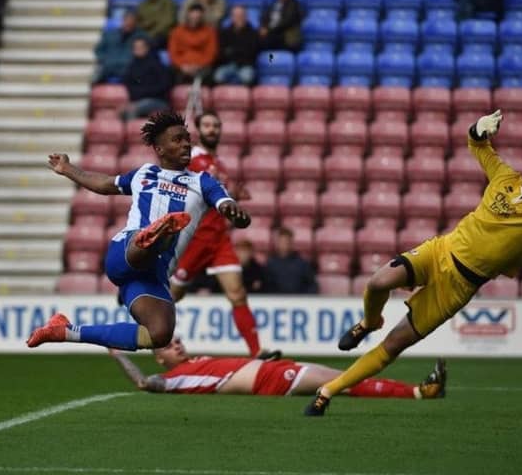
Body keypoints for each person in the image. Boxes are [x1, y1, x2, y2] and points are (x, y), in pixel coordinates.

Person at [305, 110, 522, 416]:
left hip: (459, 287)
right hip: (440, 251)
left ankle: (326, 392)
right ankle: (368, 322)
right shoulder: (505, 177)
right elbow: (477, 144)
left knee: (394, 345)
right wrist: (479, 128)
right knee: (378, 282)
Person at [26, 111, 251, 352]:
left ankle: (64, 330)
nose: (186, 143)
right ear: (160, 149)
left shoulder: (203, 181)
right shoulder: (144, 173)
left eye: (187, 139)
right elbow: (104, 184)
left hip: (151, 275)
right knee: (145, 242)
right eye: (177, 139)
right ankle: (152, 236)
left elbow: (223, 202)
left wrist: (233, 211)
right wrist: (68, 168)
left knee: (159, 333)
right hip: (125, 252)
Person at [170, 111, 278, 360]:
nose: (212, 129)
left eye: (216, 125)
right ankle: (140, 333)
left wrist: (233, 195)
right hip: (194, 239)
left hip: (219, 239)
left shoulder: (219, 163)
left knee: (237, 293)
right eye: (207, 125)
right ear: (198, 130)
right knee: (172, 296)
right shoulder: (191, 158)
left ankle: (257, 351)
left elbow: (215, 195)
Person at [109, 336, 447, 400]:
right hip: (272, 382)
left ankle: (417, 391)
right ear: (159, 359)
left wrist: (261, 361)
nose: (177, 344)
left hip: (273, 371)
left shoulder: (194, 363)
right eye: (169, 346)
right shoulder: (173, 379)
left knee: (347, 380)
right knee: (346, 381)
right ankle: (419, 392)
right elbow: (143, 382)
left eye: (176, 340)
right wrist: (116, 353)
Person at [122, 37, 172, 120]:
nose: (138, 50)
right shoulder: (131, 66)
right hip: (138, 101)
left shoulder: (157, 64)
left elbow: (164, 85)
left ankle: (135, 132)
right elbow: (129, 86)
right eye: (135, 48)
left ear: (147, 48)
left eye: (140, 47)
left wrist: (142, 93)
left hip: (158, 100)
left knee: (132, 110)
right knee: (121, 110)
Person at [167, 3, 218, 84]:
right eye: (193, 16)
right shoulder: (177, 32)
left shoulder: (209, 32)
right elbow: (172, 53)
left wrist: (198, 66)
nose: (195, 19)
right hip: (181, 66)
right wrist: (182, 66)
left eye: (197, 17)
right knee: (169, 73)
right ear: (188, 15)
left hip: (202, 67)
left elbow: (211, 53)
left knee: (210, 74)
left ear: (202, 17)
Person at [94, 11, 148, 83]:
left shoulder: (141, 36)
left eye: (131, 22)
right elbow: (99, 50)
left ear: (135, 23)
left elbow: (145, 52)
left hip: (129, 69)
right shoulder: (110, 35)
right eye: (126, 21)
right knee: (95, 77)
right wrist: (106, 59)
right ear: (122, 21)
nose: (128, 24)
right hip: (108, 67)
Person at [213, 5, 260, 86]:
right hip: (228, 64)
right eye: (236, 16)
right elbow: (222, 52)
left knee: (247, 77)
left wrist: (232, 51)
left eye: (241, 16)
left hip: (245, 65)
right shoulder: (225, 33)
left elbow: (251, 53)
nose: (239, 18)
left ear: (246, 17)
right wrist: (236, 52)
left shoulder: (253, 33)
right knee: (218, 76)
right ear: (232, 17)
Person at [264, 227, 318, 294]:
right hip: (276, 301)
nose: (285, 244)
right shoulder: (270, 264)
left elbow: (313, 285)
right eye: (282, 241)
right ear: (277, 243)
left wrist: (303, 298)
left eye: (287, 241)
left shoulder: (302, 263)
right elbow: (266, 286)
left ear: (292, 243)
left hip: (298, 301)